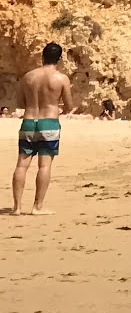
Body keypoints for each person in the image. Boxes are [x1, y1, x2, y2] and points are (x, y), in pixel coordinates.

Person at [13, 42, 72, 215]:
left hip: (29, 121)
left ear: (42, 56)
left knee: (21, 165)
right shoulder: (61, 79)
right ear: (60, 58)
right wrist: (58, 111)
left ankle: (17, 207)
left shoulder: (28, 77)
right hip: (49, 122)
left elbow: (20, 103)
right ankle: (37, 207)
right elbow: (69, 105)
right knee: (44, 166)